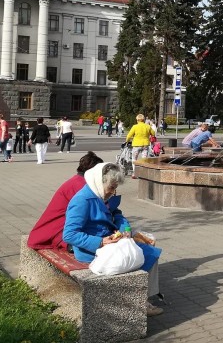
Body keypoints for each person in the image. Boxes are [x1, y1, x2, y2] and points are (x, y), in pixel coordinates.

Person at [62, 162, 163, 316]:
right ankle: (143, 301)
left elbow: (117, 214)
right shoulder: (82, 200)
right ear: (100, 182)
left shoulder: (100, 194)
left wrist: (125, 230)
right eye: (111, 188)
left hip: (110, 242)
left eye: (115, 188)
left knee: (147, 245)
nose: (113, 192)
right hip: (92, 251)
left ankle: (144, 296)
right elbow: (69, 234)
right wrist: (101, 242)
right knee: (147, 253)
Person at [27, 151, 104, 249]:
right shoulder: (82, 186)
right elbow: (96, 211)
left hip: (54, 228)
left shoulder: (77, 180)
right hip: (58, 230)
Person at [126, 114, 153, 179]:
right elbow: (153, 133)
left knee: (134, 159)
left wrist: (127, 141)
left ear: (137, 120)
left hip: (136, 145)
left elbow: (129, 135)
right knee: (144, 159)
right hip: (145, 145)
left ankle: (135, 173)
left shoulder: (135, 126)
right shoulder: (147, 126)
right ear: (143, 120)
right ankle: (143, 173)